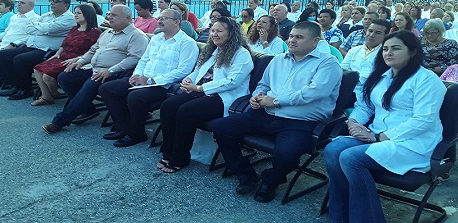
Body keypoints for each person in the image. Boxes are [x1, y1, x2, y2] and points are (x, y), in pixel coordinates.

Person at [212, 21, 342, 203]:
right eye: (291, 36)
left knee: (286, 154)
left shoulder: (328, 63)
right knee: (220, 128)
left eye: (299, 37)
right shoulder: (279, 59)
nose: (292, 40)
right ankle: (246, 174)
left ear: (315, 42)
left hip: (299, 121)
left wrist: (276, 101)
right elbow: (264, 85)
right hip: (265, 114)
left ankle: (271, 180)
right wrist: (257, 97)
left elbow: (315, 92)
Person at [324, 31, 446, 223]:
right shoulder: (381, 77)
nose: (388, 53)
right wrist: (354, 122)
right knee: (333, 149)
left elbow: (424, 120)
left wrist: (380, 137)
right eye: (386, 49)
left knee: (351, 158)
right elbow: (365, 106)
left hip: (412, 142)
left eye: (396, 48)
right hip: (376, 134)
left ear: (413, 52)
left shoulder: (427, 80)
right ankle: (339, 216)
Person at [157, 17, 254, 173]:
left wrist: (199, 88)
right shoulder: (213, 50)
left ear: (231, 33)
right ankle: (168, 152)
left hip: (222, 97)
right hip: (200, 92)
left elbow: (232, 81)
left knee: (186, 111)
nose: (214, 34)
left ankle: (180, 157)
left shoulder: (241, 54)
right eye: (213, 30)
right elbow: (199, 71)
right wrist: (189, 80)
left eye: (219, 31)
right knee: (168, 106)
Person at [98, 9, 199, 147]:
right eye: (159, 18)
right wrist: (136, 75)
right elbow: (144, 60)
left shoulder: (187, 43)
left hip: (165, 85)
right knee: (107, 89)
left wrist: (151, 80)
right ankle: (122, 128)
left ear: (177, 22)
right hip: (144, 79)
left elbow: (183, 71)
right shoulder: (157, 38)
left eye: (164, 18)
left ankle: (136, 134)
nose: (159, 20)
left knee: (135, 97)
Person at [41, 5, 149, 134]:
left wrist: (110, 71)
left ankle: (59, 121)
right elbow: (93, 50)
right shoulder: (107, 32)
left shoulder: (136, 36)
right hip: (94, 68)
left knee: (90, 84)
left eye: (114, 15)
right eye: (109, 14)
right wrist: (80, 62)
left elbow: (134, 59)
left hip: (115, 73)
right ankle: (88, 109)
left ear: (127, 18)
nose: (109, 17)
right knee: (65, 77)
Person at [0, 0, 75, 100]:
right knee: (3, 55)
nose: (52, 3)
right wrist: (43, 29)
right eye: (51, 0)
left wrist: (41, 28)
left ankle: (25, 90)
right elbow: (28, 28)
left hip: (47, 50)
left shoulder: (70, 18)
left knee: (20, 60)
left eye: (56, 1)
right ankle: (15, 86)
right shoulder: (46, 15)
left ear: (66, 5)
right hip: (32, 45)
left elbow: (50, 29)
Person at [32, 4, 101, 106]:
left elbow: (94, 51)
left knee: (48, 76)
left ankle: (54, 94)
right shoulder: (74, 29)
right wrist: (57, 54)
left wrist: (78, 59)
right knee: (37, 69)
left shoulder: (95, 32)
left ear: (87, 15)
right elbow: (64, 44)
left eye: (79, 13)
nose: (75, 15)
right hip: (63, 56)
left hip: (76, 59)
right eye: (75, 13)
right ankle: (46, 96)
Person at [341, 20, 391, 106]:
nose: (371, 35)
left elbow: (378, 78)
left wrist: (354, 78)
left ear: (385, 36)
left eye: (378, 33)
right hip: (347, 88)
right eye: (370, 31)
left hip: (367, 92)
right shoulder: (354, 50)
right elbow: (342, 70)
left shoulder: (386, 54)